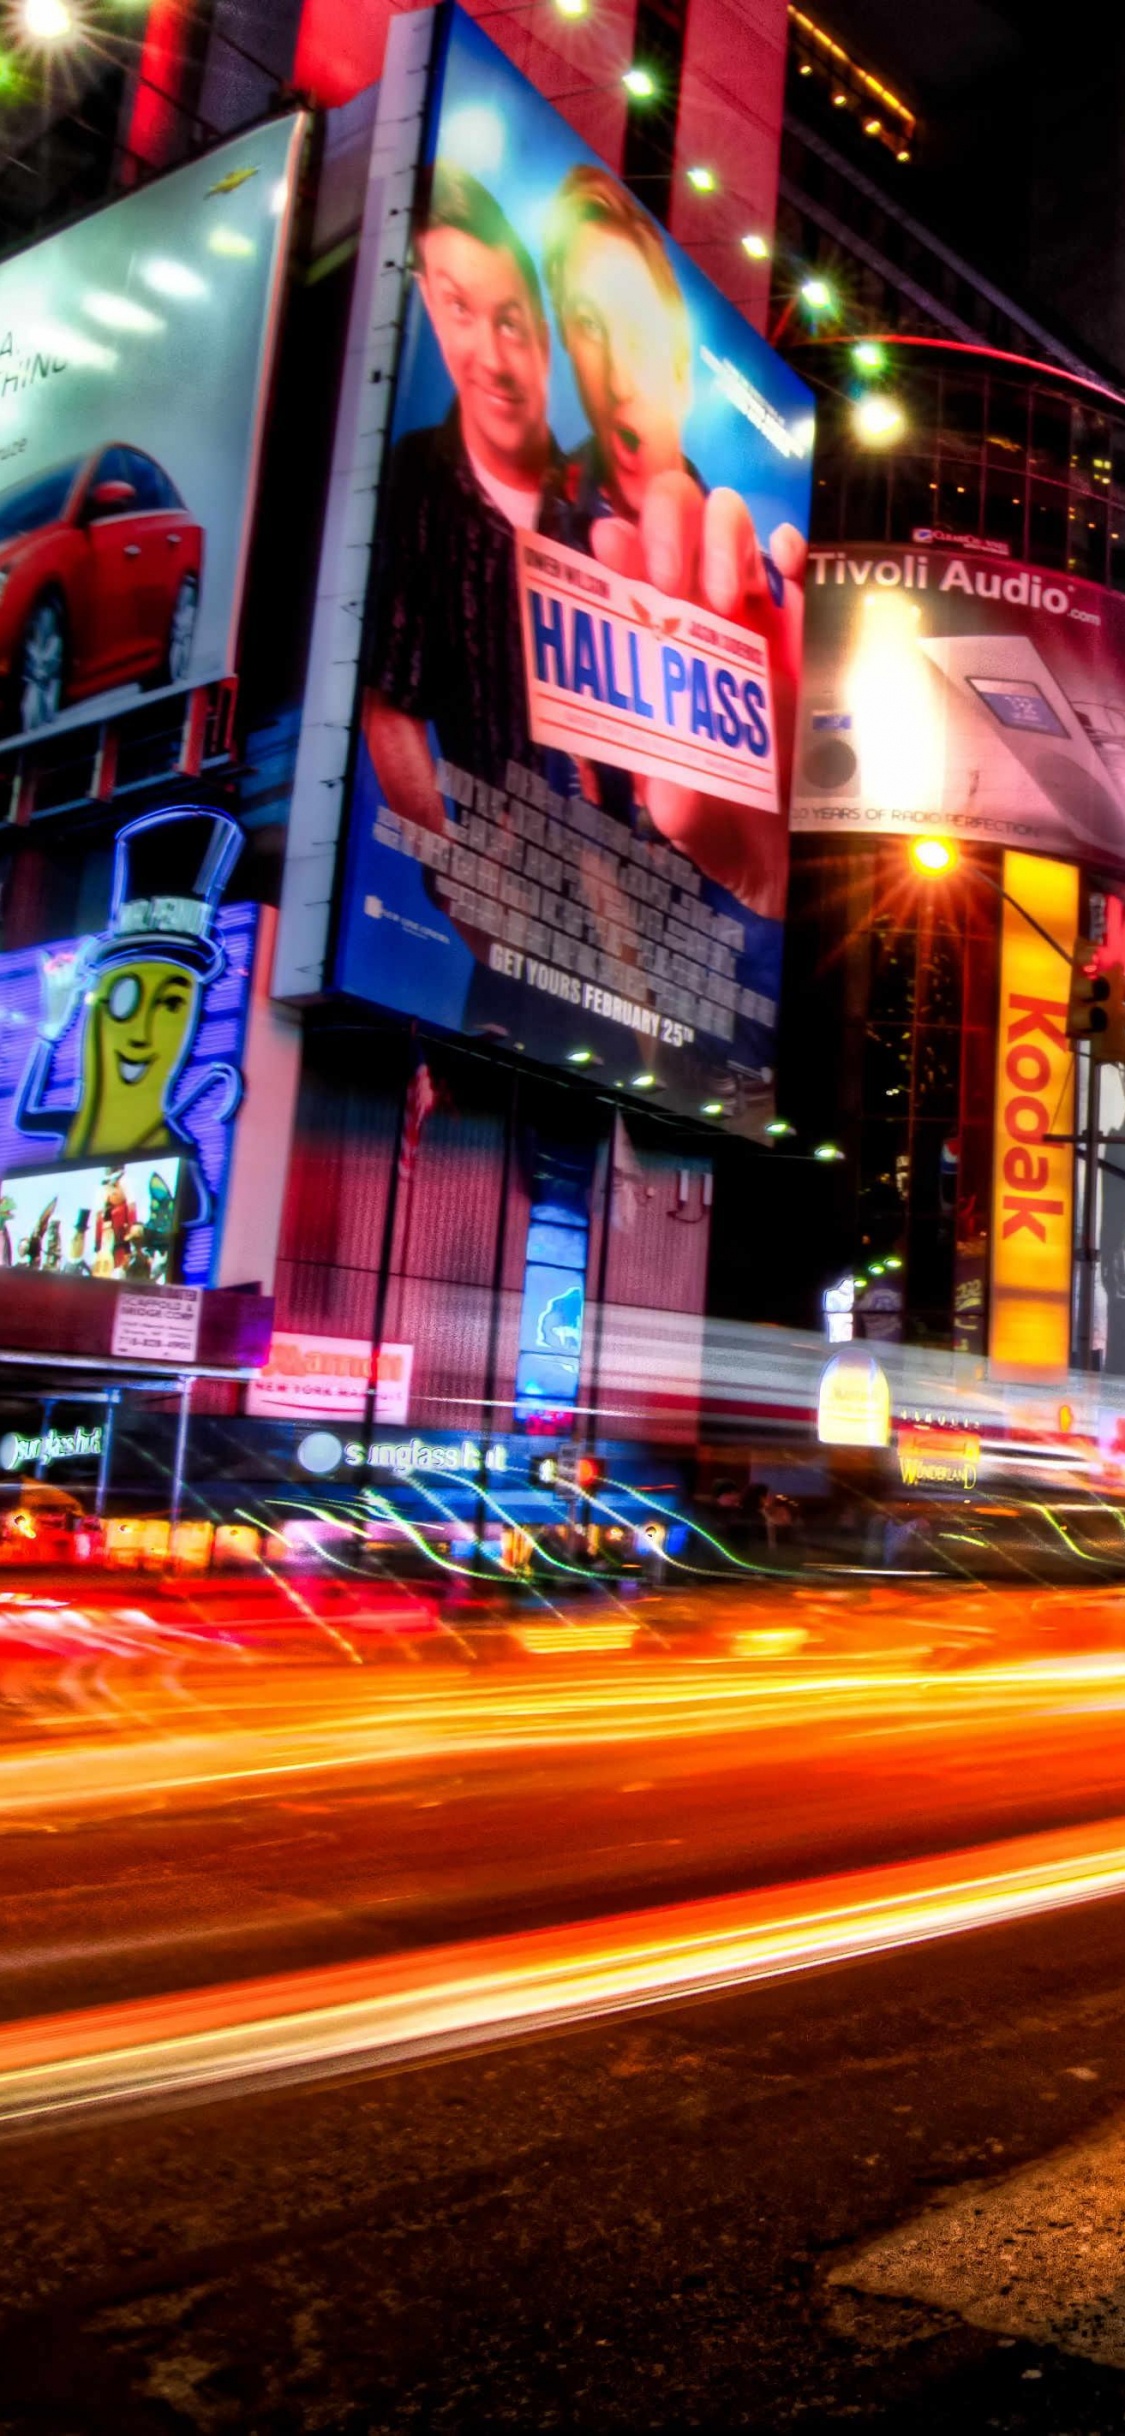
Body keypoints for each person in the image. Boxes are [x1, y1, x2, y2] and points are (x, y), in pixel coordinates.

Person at [543, 164, 807, 914]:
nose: (620, 368)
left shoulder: (755, 608)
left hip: (696, 1000)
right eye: (590, 326)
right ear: (567, 344)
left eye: (636, 329)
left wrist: (780, 883)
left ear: (682, 369)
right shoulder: (515, 525)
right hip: (500, 994)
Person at [362, 164, 571, 835]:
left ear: (543, 335)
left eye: (509, 321)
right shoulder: (418, 479)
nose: (490, 356)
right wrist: (451, 873)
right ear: (427, 303)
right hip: (490, 915)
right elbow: (389, 699)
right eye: (459, 309)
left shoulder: (596, 508)